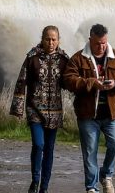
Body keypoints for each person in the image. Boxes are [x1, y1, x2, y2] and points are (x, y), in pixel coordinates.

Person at [63, 24, 115, 193]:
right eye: (97, 43)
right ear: (90, 39)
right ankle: (91, 187)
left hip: (112, 114)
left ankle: (106, 175)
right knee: (89, 152)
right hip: (88, 114)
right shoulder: (78, 59)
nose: (101, 46)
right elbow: (68, 80)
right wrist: (91, 83)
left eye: (103, 43)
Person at [10, 25, 70, 193]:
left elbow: (70, 82)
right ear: (42, 39)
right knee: (39, 144)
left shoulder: (65, 59)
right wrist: (18, 108)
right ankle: (35, 181)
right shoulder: (32, 57)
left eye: (54, 39)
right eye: (47, 39)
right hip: (34, 109)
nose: (51, 42)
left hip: (55, 112)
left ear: (58, 41)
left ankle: (44, 187)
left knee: (49, 149)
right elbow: (22, 81)